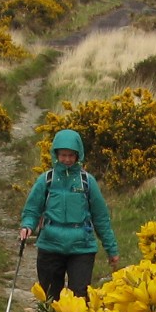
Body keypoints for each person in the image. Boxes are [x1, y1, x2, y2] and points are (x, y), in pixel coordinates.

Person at [18, 128, 118, 301]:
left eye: (71, 155)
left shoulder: (87, 182)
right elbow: (32, 209)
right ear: (56, 154)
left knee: (79, 297)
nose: (67, 160)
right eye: (63, 155)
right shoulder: (46, 180)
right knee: (50, 298)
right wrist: (27, 225)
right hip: (50, 245)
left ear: (78, 155)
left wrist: (111, 249)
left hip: (82, 247)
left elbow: (101, 218)